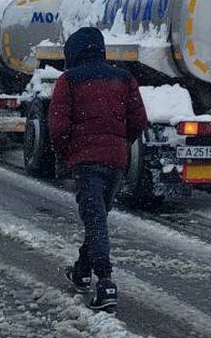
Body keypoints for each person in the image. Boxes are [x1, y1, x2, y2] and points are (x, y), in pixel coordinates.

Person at [49, 27, 148, 311]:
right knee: (98, 218)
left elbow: (58, 127)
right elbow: (139, 120)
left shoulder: (69, 80)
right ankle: (82, 271)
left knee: (95, 220)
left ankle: (105, 283)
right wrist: (120, 143)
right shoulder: (124, 78)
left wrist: (68, 153)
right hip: (116, 162)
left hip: (86, 162)